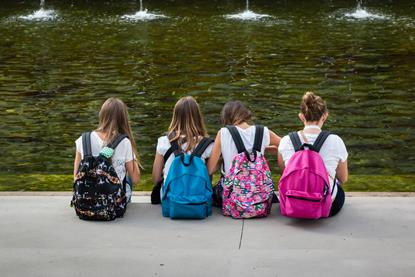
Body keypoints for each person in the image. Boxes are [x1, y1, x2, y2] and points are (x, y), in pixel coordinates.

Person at [278, 92, 348, 217]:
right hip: (326, 205)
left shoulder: (285, 141)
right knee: (338, 186)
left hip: (293, 202)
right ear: (325, 116)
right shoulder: (336, 140)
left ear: (301, 117)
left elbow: (285, 173)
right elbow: (343, 178)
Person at [207, 101, 281, 207]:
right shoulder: (263, 131)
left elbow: (210, 169)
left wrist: (223, 158)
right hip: (258, 194)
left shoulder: (223, 133)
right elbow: (287, 146)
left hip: (233, 198)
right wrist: (264, 150)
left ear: (226, 117)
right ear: (246, 114)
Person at [73, 97, 140, 203]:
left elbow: (76, 177)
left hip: (86, 202)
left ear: (101, 115)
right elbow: (135, 179)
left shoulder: (83, 139)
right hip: (113, 203)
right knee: (127, 180)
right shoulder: (125, 142)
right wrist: (133, 156)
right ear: (123, 120)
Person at [152, 96, 213, 196]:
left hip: (171, 198)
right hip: (198, 199)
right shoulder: (207, 144)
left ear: (175, 116)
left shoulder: (164, 141)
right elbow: (208, 178)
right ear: (198, 117)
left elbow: (156, 178)